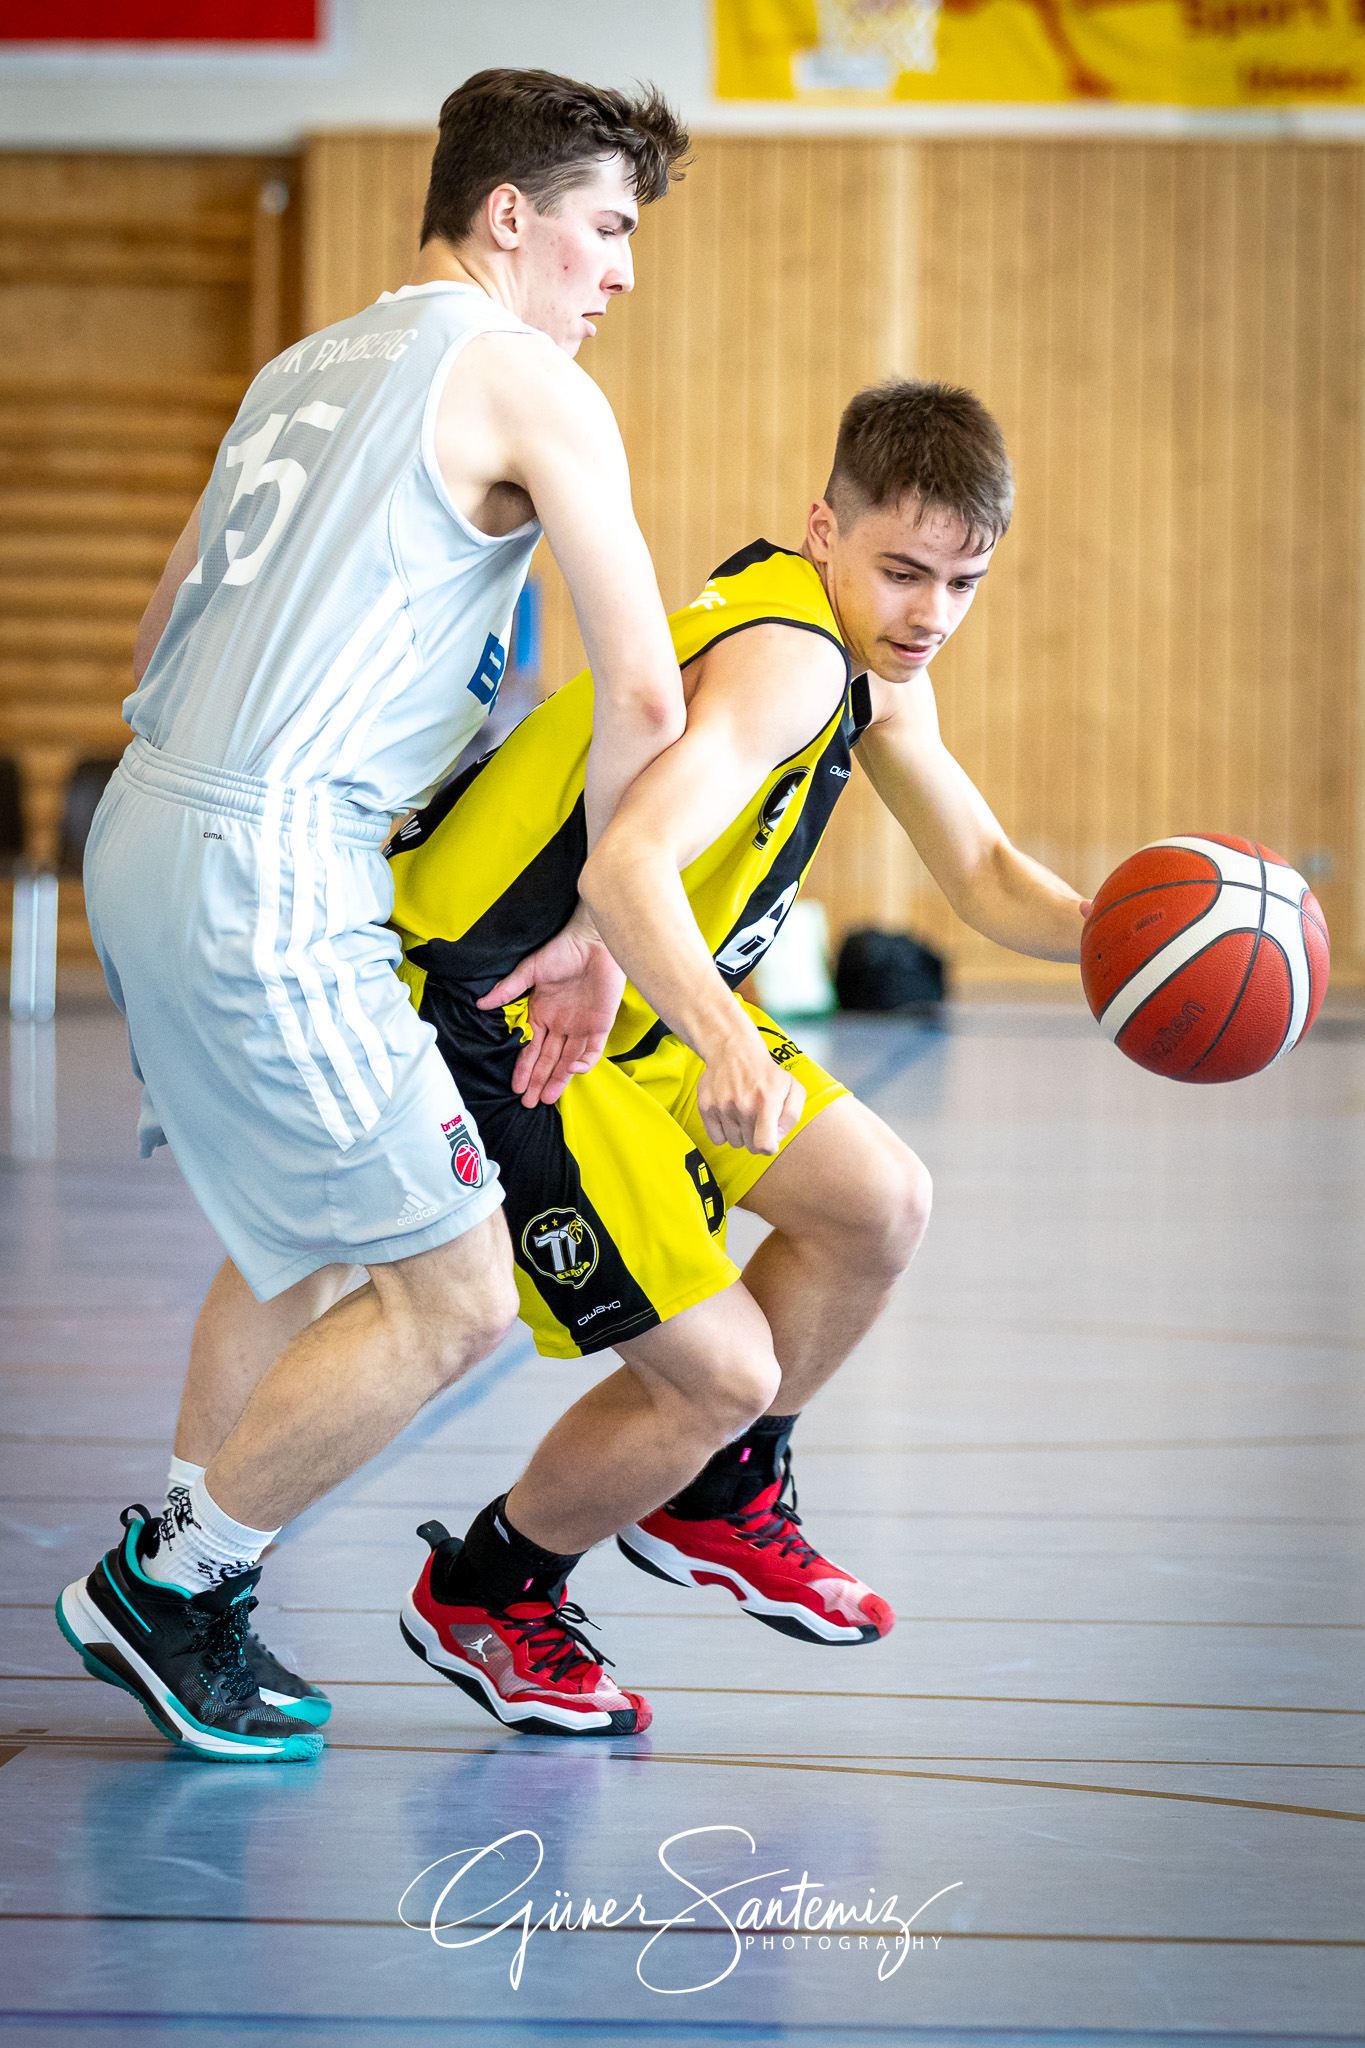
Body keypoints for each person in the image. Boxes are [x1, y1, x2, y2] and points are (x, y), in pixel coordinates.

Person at [56, 70, 691, 1763]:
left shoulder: (301, 365)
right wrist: (601, 927)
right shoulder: (529, 382)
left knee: (299, 1232)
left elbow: (153, 642)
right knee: (459, 1294)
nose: (622, 270)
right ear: (509, 214)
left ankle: (194, 1591)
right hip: (270, 862)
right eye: (607, 226)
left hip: (149, 825)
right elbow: (645, 692)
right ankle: (168, 1586)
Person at [386, 378, 1095, 1736]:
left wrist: (1127, 936)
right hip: (502, 1005)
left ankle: (715, 1494)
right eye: (902, 571)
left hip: (626, 987)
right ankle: (487, 1591)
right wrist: (726, 1040)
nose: (930, 614)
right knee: (719, 1377)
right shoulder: (795, 660)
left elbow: (986, 872)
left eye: (963, 583)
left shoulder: (870, 663)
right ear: (824, 530)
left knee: (878, 1203)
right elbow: (627, 864)